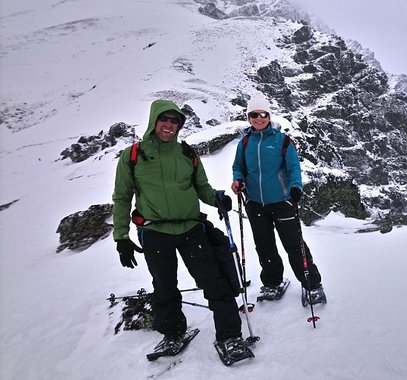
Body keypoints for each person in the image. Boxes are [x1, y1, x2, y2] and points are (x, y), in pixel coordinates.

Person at [112, 99, 252, 363]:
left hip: (191, 229)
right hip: (154, 233)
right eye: (164, 119)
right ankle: (173, 333)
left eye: (174, 121)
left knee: (215, 283)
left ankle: (230, 337)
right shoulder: (132, 156)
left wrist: (217, 199)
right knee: (164, 287)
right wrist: (121, 237)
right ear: (154, 121)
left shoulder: (187, 154)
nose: (169, 125)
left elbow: (202, 188)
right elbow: (122, 197)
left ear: (179, 126)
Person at [230, 93, 326, 305]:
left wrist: (295, 188)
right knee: (264, 246)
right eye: (254, 114)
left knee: (294, 245)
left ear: (269, 115)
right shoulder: (245, 142)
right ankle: (273, 282)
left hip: (282, 201)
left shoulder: (282, 140)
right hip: (255, 202)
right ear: (249, 117)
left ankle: (312, 285)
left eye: (263, 114)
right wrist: (238, 180)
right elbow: (238, 167)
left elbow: (293, 167)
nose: (258, 118)